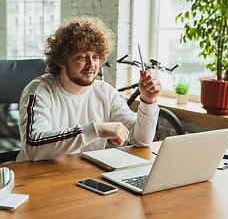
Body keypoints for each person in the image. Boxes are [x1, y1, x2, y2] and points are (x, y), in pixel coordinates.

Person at [16, 16, 162, 162]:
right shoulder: (39, 91)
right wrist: (95, 130)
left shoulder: (106, 92)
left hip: (85, 176)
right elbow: (33, 146)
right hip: (37, 178)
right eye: (82, 57)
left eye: (96, 57)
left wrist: (148, 101)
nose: (91, 64)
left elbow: (141, 140)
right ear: (61, 60)